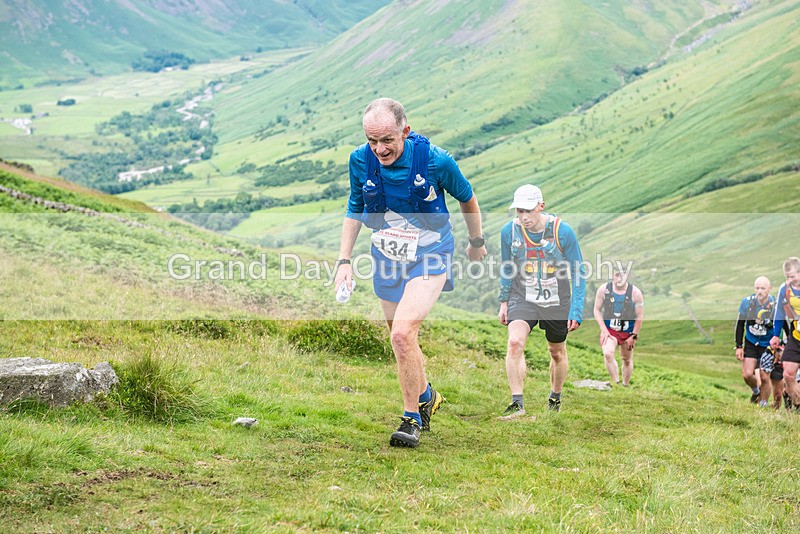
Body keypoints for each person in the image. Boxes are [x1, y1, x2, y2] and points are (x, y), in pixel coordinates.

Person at [333, 98, 486, 448]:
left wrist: (476, 241)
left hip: (431, 253)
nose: (379, 149)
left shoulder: (435, 160)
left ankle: (411, 419)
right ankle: (427, 395)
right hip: (387, 255)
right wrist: (344, 261)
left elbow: (467, 197)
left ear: (406, 130)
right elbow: (355, 207)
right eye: (372, 141)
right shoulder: (359, 160)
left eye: (387, 140)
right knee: (400, 340)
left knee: (402, 334)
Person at [497, 184, 585, 417]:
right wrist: (503, 302)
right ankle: (517, 404)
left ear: (541, 206)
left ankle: (555, 397)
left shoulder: (562, 231)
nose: (524, 217)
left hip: (556, 299)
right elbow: (507, 268)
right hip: (522, 295)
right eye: (519, 211)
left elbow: (577, 272)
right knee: (514, 342)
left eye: (528, 210)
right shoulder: (509, 232)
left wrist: (576, 310)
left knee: (556, 351)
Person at [592, 269, 644, 387]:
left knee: (626, 359)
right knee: (608, 353)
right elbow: (596, 309)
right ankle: (616, 382)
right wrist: (603, 329)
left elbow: (640, 315)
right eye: (617, 275)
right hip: (610, 331)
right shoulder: (604, 290)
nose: (620, 279)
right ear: (612, 276)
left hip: (628, 331)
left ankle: (625, 385)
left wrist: (633, 335)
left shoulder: (635, 293)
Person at [735, 276, 775, 404]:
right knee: (747, 374)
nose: (760, 291)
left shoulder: (775, 305)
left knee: (764, 377)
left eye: (763, 288)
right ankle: (756, 391)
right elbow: (740, 324)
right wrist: (739, 346)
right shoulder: (747, 302)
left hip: (767, 345)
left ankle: (763, 404)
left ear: (769, 289)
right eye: (757, 288)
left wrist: (781, 345)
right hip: (751, 342)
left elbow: (783, 325)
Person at [770, 257, 800, 410]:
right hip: (796, 336)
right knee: (788, 374)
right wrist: (776, 335)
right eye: (787, 276)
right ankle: (798, 403)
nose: (790, 280)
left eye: (793, 276)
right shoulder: (785, 289)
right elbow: (779, 313)